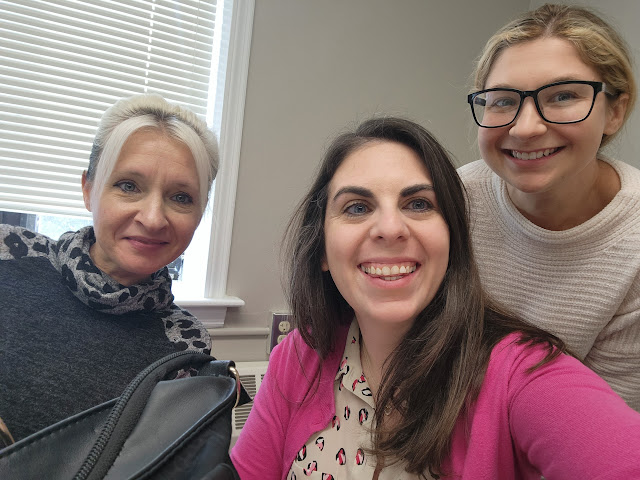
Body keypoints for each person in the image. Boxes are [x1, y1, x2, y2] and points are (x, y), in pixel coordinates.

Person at [230, 117, 640, 479]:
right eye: (356, 208)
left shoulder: (520, 373)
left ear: (452, 240)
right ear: (321, 249)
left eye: (418, 204)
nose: (390, 228)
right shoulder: (299, 356)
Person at [0, 94, 219, 443]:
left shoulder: (185, 344)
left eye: (181, 197)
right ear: (88, 189)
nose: (153, 218)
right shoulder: (10, 255)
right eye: (128, 186)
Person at [459, 3, 640, 410]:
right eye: (502, 101)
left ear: (615, 111)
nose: (525, 128)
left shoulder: (634, 248)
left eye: (562, 96)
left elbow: (595, 424)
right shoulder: (452, 199)